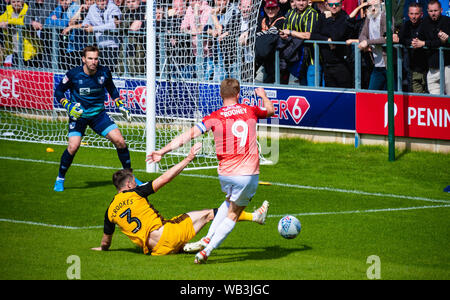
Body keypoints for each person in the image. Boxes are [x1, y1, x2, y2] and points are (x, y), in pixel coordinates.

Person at [146, 78, 274, 264]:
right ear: (238, 94)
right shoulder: (249, 109)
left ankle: (207, 238)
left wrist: (163, 151)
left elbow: (188, 135)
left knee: (229, 202)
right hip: (247, 174)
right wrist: (263, 95)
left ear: (220, 95)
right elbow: (270, 110)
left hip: (225, 174)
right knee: (234, 213)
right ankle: (207, 251)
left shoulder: (215, 116)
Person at [92, 143, 269, 255]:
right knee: (208, 214)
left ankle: (184, 246)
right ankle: (254, 217)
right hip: (169, 235)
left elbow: (106, 241)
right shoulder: (135, 192)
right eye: (134, 181)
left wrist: (102, 249)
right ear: (130, 184)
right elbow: (165, 178)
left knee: (180, 218)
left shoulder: (110, 211)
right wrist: (188, 158)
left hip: (158, 251)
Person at [53, 45, 133, 192]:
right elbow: (59, 92)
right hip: (79, 116)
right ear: (83, 59)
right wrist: (67, 105)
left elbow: (112, 89)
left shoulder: (104, 72)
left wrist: (119, 103)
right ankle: (60, 179)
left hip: (98, 115)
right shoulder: (73, 74)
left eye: (96, 58)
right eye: (90, 58)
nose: (93, 62)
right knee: (73, 146)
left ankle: (129, 176)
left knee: (120, 141)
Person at [310, 0, 353, 88]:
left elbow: (336, 36)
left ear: (341, 5)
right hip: (327, 64)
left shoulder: (345, 18)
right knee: (330, 94)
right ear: (326, 5)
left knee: (344, 96)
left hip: (342, 64)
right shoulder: (323, 17)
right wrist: (327, 39)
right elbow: (313, 35)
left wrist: (329, 20)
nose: (334, 7)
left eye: (336, 4)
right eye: (331, 4)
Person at [413, 0, 450, 94]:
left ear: (441, 10)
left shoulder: (447, 21)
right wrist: (415, 42)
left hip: (447, 67)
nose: (433, 13)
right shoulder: (424, 23)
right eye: (431, 11)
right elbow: (419, 40)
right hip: (432, 69)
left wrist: (425, 43)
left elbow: (444, 42)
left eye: (435, 11)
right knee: (435, 101)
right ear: (427, 11)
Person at [279, 0, 320, 85]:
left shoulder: (312, 13)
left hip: (311, 59)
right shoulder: (290, 12)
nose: (301, 3)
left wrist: (290, 32)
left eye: (304, 0)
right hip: (294, 57)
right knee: (295, 87)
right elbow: (285, 30)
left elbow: (308, 35)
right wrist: (283, 34)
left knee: (312, 89)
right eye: (298, 0)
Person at [358, 0, 392, 91]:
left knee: (393, 96)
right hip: (377, 65)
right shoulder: (369, 17)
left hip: (389, 65)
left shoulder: (385, 16)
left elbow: (386, 39)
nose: (372, 4)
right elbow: (362, 35)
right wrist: (365, 42)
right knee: (372, 94)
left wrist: (368, 42)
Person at [82, 0, 121, 72]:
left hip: (112, 46)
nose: (102, 3)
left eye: (104, 0)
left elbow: (113, 25)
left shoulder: (114, 8)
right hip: (99, 46)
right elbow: (85, 21)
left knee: (109, 72)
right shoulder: (92, 8)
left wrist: (93, 28)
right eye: (99, 1)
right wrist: (86, 25)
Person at [0, 0, 40, 67]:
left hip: (30, 52)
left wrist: (8, 22)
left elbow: (24, 21)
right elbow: (1, 19)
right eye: (13, 2)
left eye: (18, 1)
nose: (16, 4)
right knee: (15, 75)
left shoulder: (28, 10)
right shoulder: (9, 10)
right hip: (15, 50)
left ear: (22, 2)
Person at [399, 2, 428, 93]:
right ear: (408, 14)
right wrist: (411, 42)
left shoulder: (426, 24)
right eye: (411, 14)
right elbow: (401, 38)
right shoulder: (406, 25)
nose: (414, 16)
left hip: (428, 67)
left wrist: (422, 43)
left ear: (421, 14)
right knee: (416, 96)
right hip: (412, 67)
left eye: (416, 14)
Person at [255, 0, 286, 83]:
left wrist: (258, 35)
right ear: (264, 9)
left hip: (277, 61)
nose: (270, 11)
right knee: (258, 81)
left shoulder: (281, 20)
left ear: (278, 9)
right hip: (264, 60)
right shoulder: (263, 20)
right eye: (268, 8)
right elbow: (254, 32)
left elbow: (272, 32)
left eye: (273, 8)